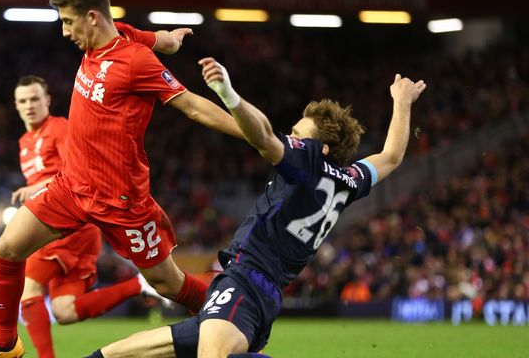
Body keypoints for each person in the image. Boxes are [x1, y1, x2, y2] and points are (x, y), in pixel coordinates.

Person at [87, 57, 426, 358]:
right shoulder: (349, 179)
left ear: (321, 148)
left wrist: (228, 94)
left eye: (296, 133)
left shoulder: (306, 161)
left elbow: (262, 136)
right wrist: (402, 102)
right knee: (127, 352)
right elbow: (392, 156)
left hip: (245, 282)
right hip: (262, 294)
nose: (289, 138)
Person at [0, 0, 244, 358]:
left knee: (168, 284)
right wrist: (165, 39)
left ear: (91, 17)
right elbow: (135, 31)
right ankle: (7, 347)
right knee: (8, 247)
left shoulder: (136, 60)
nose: (65, 32)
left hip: (122, 200)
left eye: (68, 22)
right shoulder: (109, 36)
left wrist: (256, 134)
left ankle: (236, 314)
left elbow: (191, 106)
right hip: (71, 188)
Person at [12, 75, 175, 358]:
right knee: (64, 311)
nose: (30, 105)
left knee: (28, 288)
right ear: (16, 105)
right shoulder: (25, 141)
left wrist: (36, 187)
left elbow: (77, 170)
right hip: (77, 230)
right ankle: (139, 284)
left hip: (66, 221)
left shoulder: (59, 128)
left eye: (35, 99)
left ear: (47, 100)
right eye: (23, 101)